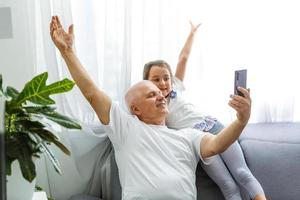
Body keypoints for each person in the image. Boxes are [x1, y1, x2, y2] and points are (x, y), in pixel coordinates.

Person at [50, 15, 252, 199]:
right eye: (151, 94)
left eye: (160, 91)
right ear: (136, 109)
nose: (161, 95)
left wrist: (241, 120)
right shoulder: (125, 129)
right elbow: (92, 94)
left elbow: (217, 144)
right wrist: (68, 52)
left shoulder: (188, 135)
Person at [143, 22, 266, 200]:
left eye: (166, 78)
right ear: (146, 82)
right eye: (156, 79)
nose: (163, 83)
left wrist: (192, 33)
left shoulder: (176, 86)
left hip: (214, 126)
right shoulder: (151, 106)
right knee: (227, 185)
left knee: (242, 173)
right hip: (200, 142)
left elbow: (183, 58)